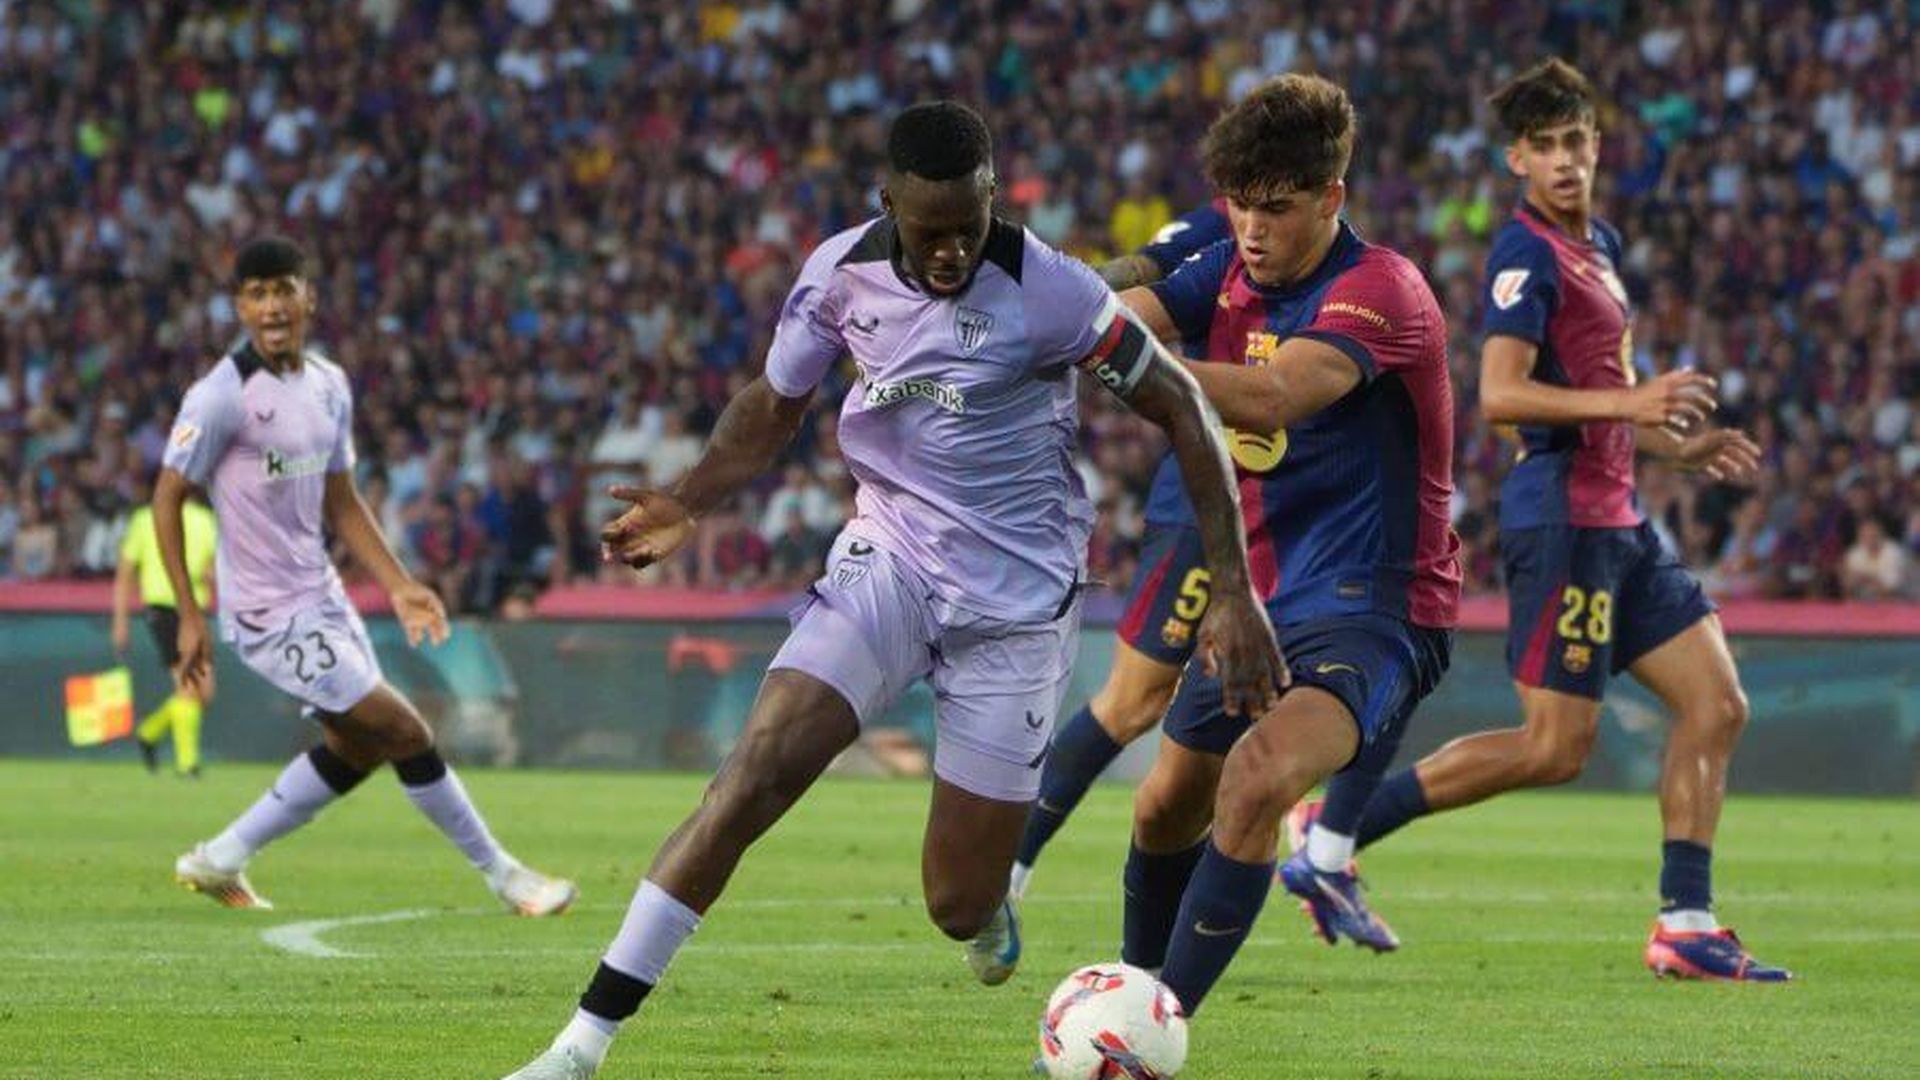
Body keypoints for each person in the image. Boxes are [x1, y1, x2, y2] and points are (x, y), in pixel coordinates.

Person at [502, 100, 1284, 1080]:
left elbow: (1183, 408)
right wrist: (691, 499)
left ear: (993, 199)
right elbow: (773, 404)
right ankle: (581, 1048)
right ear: (890, 205)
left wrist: (1233, 592)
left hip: (1014, 612)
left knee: (955, 902)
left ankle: (987, 902)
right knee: (752, 777)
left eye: (969, 225)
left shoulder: (1055, 292)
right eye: (930, 231)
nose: (951, 250)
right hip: (890, 566)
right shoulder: (838, 274)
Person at [1307, 58, 1790, 982]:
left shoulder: (1597, 243)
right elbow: (1500, 393)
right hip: (1562, 516)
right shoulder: (1524, 253)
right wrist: (1633, 402)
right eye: (1548, 147)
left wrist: (1669, 443)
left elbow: (1598, 397)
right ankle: (1333, 832)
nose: (1567, 160)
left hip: (1622, 517)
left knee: (1717, 703)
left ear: (1596, 147)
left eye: (1579, 142)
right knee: (1553, 747)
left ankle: (1686, 923)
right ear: (1517, 160)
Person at [1117, 73, 1461, 1015]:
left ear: (1332, 199)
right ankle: (1131, 994)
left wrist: (1114, 358)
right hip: (1262, 599)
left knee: (1259, 777)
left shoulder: (1381, 289)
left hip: (1378, 606)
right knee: (1162, 806)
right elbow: (1122, 315)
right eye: (1238, 206)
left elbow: (1273, 396)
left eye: (1276, 208)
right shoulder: (1228, 268)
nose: (1253, 229)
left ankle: (1156, 1027)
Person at [154, 236, 576, 916]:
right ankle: (506, 877)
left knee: (355, 745)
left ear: (307, 297)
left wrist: (401, 583)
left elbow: (341, 500)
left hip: (322, 596)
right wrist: (190, 615)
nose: (271, 306)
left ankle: (219, 857)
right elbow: (166, 497)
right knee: (405, 730)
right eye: (256, 293)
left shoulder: (328, 385)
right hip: (266, 613)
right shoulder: (220, 397)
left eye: (283, 289)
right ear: (239, 306)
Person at [1007, 199, 1232, 901]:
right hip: (1211, 497)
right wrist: (1031, 312)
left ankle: (1315, 842)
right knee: (1134, 701)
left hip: (1310, 508)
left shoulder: (1357, 268)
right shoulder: (1220, 230)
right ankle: (1008, 867)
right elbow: (1129, 283)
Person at [112, 481, 218, 776]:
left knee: (205, 692)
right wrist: (120, 621)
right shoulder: (145, 519)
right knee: (188, 684)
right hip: (163, 608)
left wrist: (212, 578)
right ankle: (188, 763)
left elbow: (211, 569)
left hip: (195, 611)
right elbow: (125, 573)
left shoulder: (205, 521)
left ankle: (149, 732)